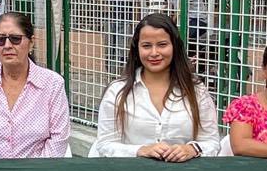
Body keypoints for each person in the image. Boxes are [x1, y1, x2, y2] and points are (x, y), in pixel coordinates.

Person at [90, 13, 219, 160]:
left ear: (174, 46)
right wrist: (140, 150)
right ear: (137, 49)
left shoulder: (196, 90)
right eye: (146, 46)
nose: (154, 53)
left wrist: (192, 149)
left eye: (162, 45)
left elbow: (211, 142)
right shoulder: (117, 91)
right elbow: (105, 145)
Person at [0, 12, 69, 159]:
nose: (7, 46)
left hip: (38, 170)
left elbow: (58, 139)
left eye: (15, 39)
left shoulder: (52, 84)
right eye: (0, 40)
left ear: (31, 42)